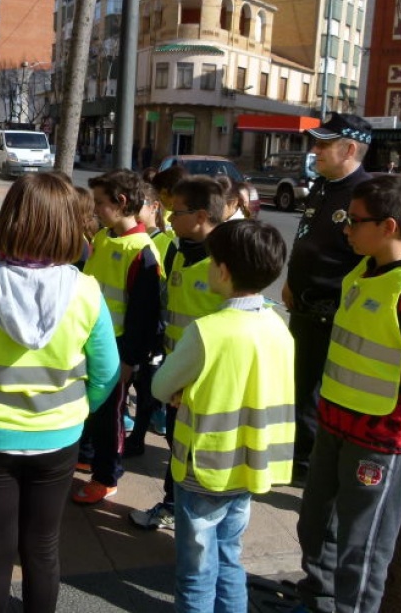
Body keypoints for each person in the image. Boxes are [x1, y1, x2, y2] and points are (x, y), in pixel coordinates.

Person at [0, 172, 120, 613]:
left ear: (11, 220)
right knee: (43, 548)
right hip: (58, 437)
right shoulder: (85, 291)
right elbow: (108, 373)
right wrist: (76, 411)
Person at [293, 173, 401, 613]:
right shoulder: (361, 272)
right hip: (334, 424)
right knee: (315, 527)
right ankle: (319, 600)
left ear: (389, 227)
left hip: (380, 441)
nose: (345, 229)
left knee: (361, 548)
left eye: (355, 220)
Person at [151, 218, 295, 613]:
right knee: (229, 554)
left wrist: (183, 391)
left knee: (196, 569)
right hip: (251, 463)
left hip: (206, 467)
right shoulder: (278, 325)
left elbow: (160, 387)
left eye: (212, 259)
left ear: (224, 270)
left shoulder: (208, 330)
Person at [280, 112, 376, 485]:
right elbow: (308, 238)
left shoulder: (364, 195)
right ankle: (300, 458)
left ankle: (308, 471)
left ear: (349, 149)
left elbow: (367, 261)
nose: (314, 150)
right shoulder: (323, 185)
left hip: (330, 313)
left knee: (315, 397)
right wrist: (291, 279)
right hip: (302, 306)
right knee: (299, 388)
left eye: (323, 144)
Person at [128, 174, 227, 533]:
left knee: (193, 447)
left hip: (205, 377)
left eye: (177, 212)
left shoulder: (224, 256)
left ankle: (182, 508)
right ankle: (177, 503)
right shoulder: (179, 248)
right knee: (176, 441)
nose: (169, 219)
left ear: (201, 216)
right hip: (175, 366)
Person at [73, 169, 165, 504]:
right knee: (92, 410)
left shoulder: (143, 252)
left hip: (117, 350)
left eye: (100, 202)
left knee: (110, 416)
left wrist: (129, 360)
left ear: (121, 202)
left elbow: (145, 317)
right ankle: (88, 456)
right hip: (89, 343)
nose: (94, 209)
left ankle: (107, 476)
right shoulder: (101, 238)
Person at [124, 181, 169, 457]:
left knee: (146, 389)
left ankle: (139, 436)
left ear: (154, 207)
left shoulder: (163, 242)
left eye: (139, 204)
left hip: (154, 329)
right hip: (133, 325)